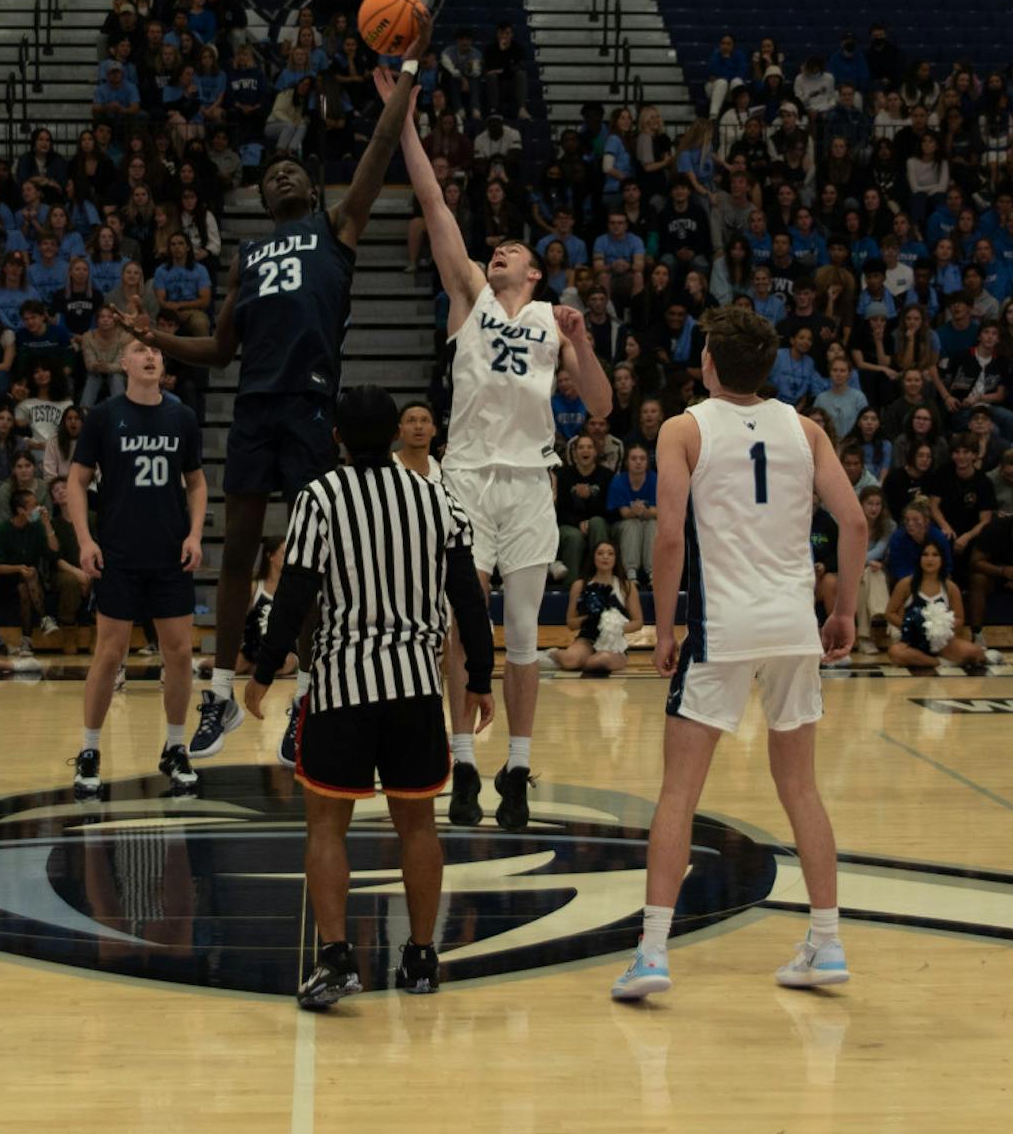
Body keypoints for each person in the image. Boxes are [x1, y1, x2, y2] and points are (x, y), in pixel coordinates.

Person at [120, 39, 427, 758]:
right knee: (235, 556)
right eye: (272, 175)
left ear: (312, 193)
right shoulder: (248, 259)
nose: (283, 173)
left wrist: (407, 77)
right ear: (262, 201)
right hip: (255, 408)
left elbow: (380, 148)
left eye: (293, 170)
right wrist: (157, 337)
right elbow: (220, 350)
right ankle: (223, 693)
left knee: (311, 560)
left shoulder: (336, 226)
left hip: (310, 406)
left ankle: (310, 698)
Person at [614, 306, 865, 1004]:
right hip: (792, 625)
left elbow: (669, 537)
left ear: (708, 363)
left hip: (722, 625)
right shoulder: (806, 429)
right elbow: (853, 521)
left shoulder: (683, 428)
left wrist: (665, 627)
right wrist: (843, 610)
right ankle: (826, 941)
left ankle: (652, 952)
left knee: (679, 792)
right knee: (801, 788)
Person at [240, 385, 494, 1009]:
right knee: (418, 825)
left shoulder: (321, 496)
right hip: (415, 684)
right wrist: (481, 677)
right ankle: (423, 958)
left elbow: (295, 591)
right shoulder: (435, 497)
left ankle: (335, 959)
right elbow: (467, 594)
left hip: (342, 686)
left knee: (326, 825)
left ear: (337, 439)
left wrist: (264, 668)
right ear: (395, 435)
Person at [399, 109, 609, 830]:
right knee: (463, 628)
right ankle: (462, 761)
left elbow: (601, 406)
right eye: (496, 247)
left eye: (513, 249)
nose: (500, 251)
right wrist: (405, 124)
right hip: (464, 479)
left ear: (536, 271)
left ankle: (516, 768)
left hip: (527, 484)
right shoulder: (469, 295)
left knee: (521, 633)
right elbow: (434, 203)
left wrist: (583, 345)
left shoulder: (555, 318)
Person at [66, 334, 209, 799]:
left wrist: (194, 534)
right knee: (110, 654)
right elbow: (77, 480)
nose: (150, 355)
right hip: (120, 554)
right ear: (123, 363)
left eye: (156, 351)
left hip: (170, 554)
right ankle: (89, 750)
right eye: (140, 350)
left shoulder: (181, 417)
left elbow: (196, 482)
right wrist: (85, 540)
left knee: (180, 653)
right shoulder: (105, 416)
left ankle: (175, 747)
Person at [544, 540, 644, 676]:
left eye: (610, 554)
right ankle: (553, 653)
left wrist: (612, 626)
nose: (605, 557)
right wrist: (590, 620)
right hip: (586, 639)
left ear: (616, 558)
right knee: (570, 660)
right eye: (600, 553)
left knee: (601, 660)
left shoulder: (626, 586)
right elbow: (571, 623)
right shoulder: (580, 585)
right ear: (593, 557)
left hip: (613, 644)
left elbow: (638, 622)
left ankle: (583, 661)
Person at [885, 543, 981, 670]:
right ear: (919, 558)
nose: (930, 559)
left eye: (935, 555)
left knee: (974, 652)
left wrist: (941, 629)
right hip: (913, 641)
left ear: (942, 559)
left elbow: (959, 618)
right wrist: (911, 626)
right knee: (895, 652)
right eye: (925, 555)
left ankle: (932, 659)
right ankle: (938, 662)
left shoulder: (950, 587)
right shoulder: (906, 584)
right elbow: (890, 613)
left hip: (942, 642)